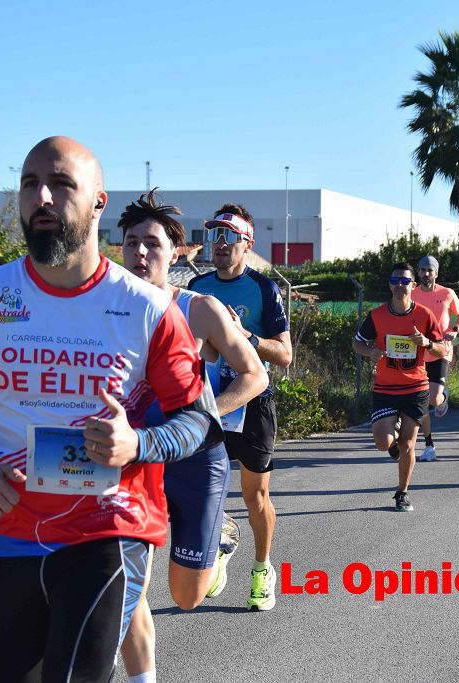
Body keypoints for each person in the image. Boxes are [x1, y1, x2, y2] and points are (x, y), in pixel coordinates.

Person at [0, 137, 221, 681]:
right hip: (10, 530)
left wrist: (138, 445)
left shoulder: (149, 308)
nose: (43, 198)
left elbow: (197, 419)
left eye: (61, 185)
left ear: (98, 202)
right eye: (30, 184)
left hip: (109, 529)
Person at [116, 192, 268, 681]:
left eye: (153, 244)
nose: (141, 253)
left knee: (185, 597)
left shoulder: (199, 309)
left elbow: (255, 376)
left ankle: (220, 539)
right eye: (131, 242)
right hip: (135, 460)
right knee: (128, 587)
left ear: (176, 253)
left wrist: (205, 415)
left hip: (196, 460)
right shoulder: (105, 307)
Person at [189, 204, 292, 612]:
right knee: (199, 488)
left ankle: (262, 569)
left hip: (252, 401)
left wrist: (244, 335)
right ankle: (222, 536)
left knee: (256, 496)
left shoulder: (264, 289)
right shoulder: (197, 286)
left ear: (247, 244)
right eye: (214, 235)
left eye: (229, 236)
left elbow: (284, 354)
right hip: (208, 398)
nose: (219, 244)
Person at [353, 263, 448, 511]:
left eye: (405, 281)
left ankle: (402, 492)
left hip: (415, 388)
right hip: (385, 388)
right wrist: (371, 351)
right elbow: (357, 344)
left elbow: (441, 349)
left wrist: (426, 342)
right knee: (384, 442)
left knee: (408, 444)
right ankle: (392, 440)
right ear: (390, 284)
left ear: (413, 286)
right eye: (395, 281)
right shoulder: (377, 315)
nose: (399, 286)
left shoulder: (426, 315)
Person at [411, 255, 459, 461]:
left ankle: (443, 397)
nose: (425, 274)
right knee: (423, 400)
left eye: (429, 270)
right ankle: (429, 445)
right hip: (418, 352)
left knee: (433, 399)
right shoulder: (412, 293)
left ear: (436, 273)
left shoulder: (447, 293)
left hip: (441, 350)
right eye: (422, 270)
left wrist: (455, 329)